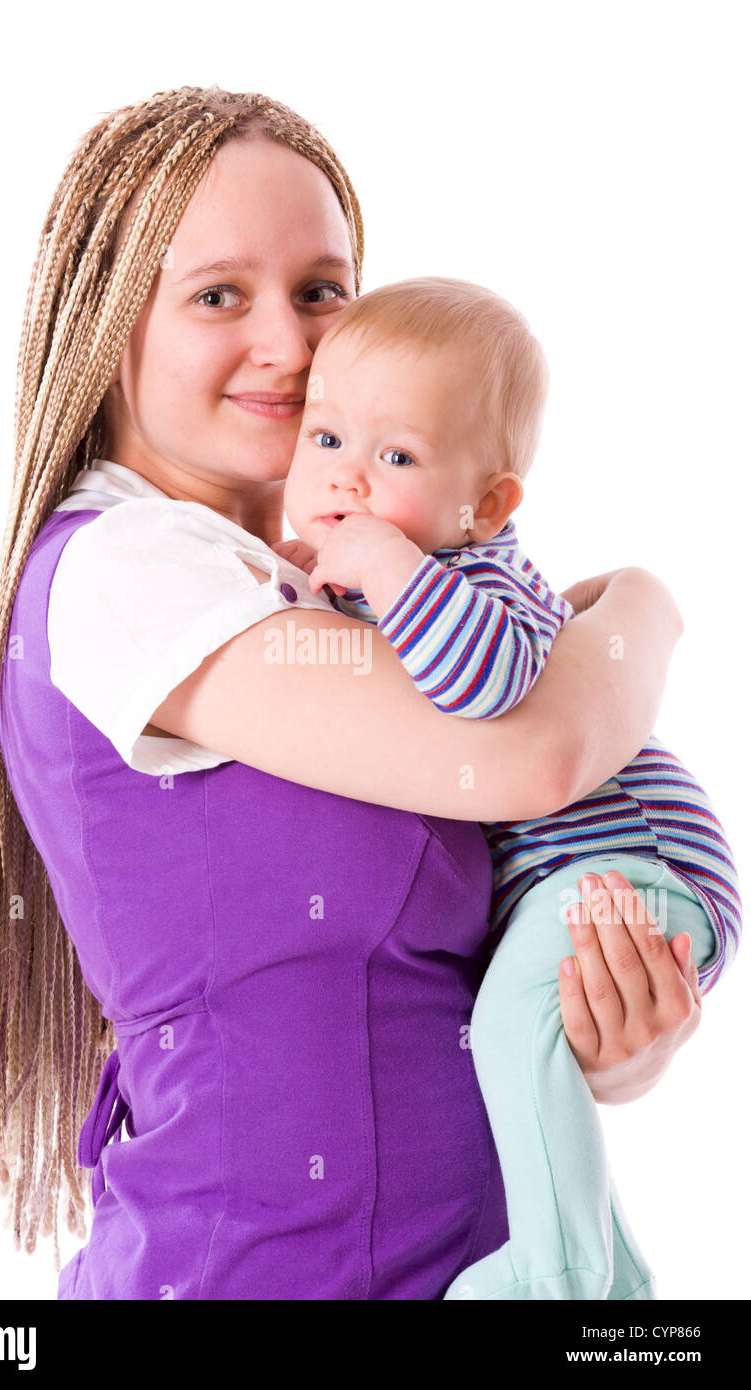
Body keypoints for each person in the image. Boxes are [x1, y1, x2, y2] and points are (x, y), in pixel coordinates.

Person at [0, 86, 697, 1300]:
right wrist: (648, 607)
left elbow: (447, 955)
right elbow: (536, 757)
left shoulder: (335, 590)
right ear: (109, 320)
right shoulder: (130, 571)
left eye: (320, 292)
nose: (288, 345)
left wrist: (613, 1039)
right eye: (218, 294)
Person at [274, 275, 741, 1298]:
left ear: (482, 505)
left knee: (504, 1029)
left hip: (626, 860)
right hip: (591, 879)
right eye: (325, 439)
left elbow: (486, 685)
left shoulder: (471, 577)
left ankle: (554, 1274)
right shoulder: (406, 570)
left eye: (392, 456)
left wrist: (381, 565)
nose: (347, 480)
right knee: (528, 1040)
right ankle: (611, 1287)